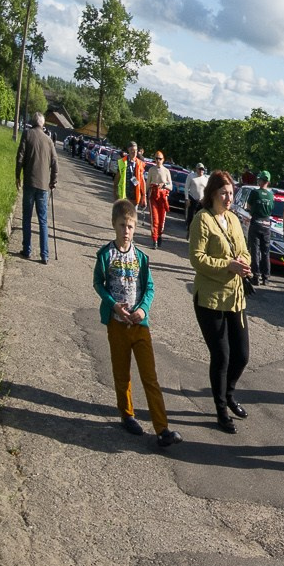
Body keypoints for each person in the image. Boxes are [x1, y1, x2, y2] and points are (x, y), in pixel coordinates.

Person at [93, 198, 181, 448]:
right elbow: (98, 283)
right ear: (114, 224)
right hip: (117, 324)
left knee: (150, 376)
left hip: (140, 326)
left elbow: (149, 288)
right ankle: (127, 414)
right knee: (122, 373)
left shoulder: (141, 257)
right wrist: (113, 304)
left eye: (130, 226)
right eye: (122, 225)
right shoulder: (105, 255)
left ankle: (162, 429)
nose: (126, 231)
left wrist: (143, 309)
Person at [188, 171, 253, 433]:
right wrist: (228, 265)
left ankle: (229, 393)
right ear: (212, 194)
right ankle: (221, 410)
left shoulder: (234, 219)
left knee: (242, 355)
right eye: (223, 193)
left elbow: (244, 250)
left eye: (231, 193)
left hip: (235, 298)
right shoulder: (202, 219)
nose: (228, 198)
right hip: (210, 299)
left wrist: (244, 262)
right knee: (222, 356)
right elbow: (197, 258)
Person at [16, 112, 57, 264]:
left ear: (32, 122)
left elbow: (20, 157)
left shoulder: (27, 134)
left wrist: (17, 175)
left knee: (27, 217)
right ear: (43, 124)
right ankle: (44, 255)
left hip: (29, 182)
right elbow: (55, 163)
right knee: (43, 221)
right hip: (43, 186)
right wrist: (53, 181)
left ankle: (27, 250)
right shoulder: (49, 140)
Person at [243, 176, 277, 282]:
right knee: (266, 251)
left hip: (256, 222)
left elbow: (248, 206)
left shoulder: (255, 192)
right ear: (268, 182)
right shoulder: (271, 195)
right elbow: (271, 209)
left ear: (261, 181)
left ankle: (256, 275)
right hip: (266, 224)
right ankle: (266, 277)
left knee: (255, 250)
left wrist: (253, 211)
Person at [147, 150, 171, 247]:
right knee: (154, 219)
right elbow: (147, 184)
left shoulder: (166, 171)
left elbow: (171, 186)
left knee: (161, 220)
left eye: (160, 159)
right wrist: (144, 196)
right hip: (153, 196)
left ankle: (160, 235)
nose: (158, 160)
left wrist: (164, 185)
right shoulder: (151, 170)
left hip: (162, 197)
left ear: (163, 160)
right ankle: (154, 240)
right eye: (156, 158)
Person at [182, 162, 208, 236]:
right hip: (192, 199)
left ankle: (196, 234)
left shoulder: (205, 179)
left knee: (199, 218)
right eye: (200, 169)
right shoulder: (191, 176)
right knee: (190, 217)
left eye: (202, 170)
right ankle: (189, 231)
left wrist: (204, 199)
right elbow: (186, 187)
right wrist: (187, 199)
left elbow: (207, 191)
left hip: (201, 201)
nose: (201, 171)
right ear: (196, 169)